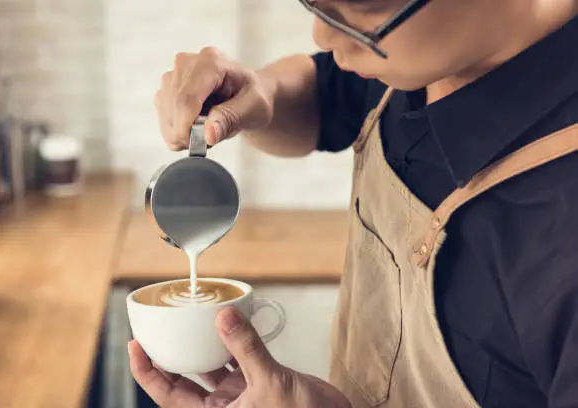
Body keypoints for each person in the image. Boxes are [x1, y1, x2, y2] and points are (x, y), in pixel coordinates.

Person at [128, 0, 578, 406]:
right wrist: (263, 93)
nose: (322, 36)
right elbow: (325, 93)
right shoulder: (420, 59)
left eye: (364, 8)